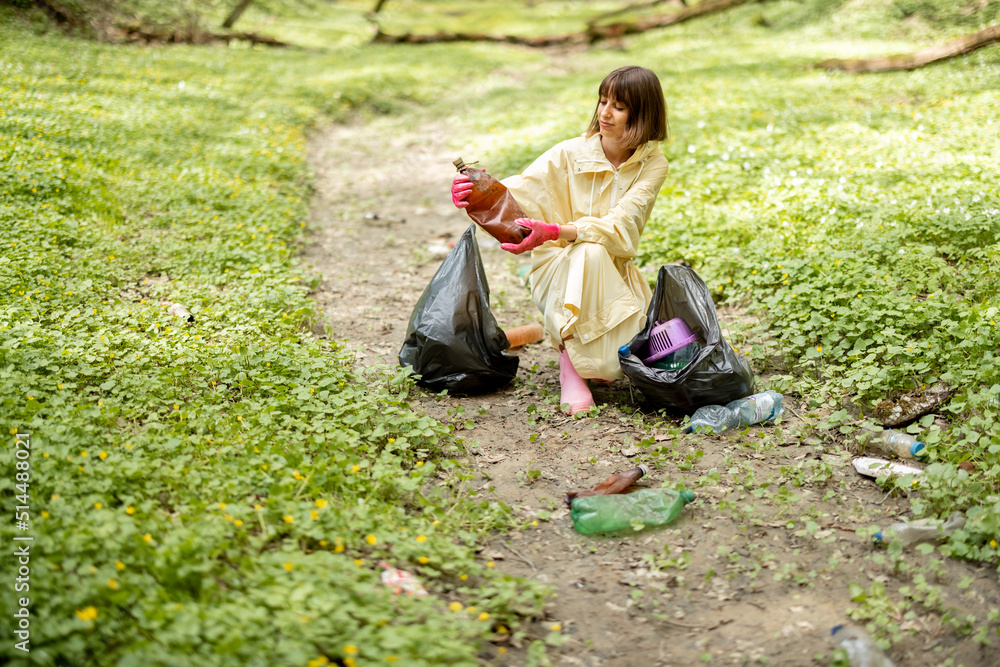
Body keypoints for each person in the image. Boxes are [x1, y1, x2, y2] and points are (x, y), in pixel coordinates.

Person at [451, 65, 669, 414]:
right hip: (557, 272)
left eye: (619, 106)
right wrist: (476, 194)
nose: (605, 113)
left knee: (615, 359)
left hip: (616, 274)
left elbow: (622, 225)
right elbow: (521, 192)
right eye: (602, 101)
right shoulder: (570, 152)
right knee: (587, 252)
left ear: (643, 114)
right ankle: (571, 365)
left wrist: (557, 229)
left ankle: (593, 361)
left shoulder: (652, 165)